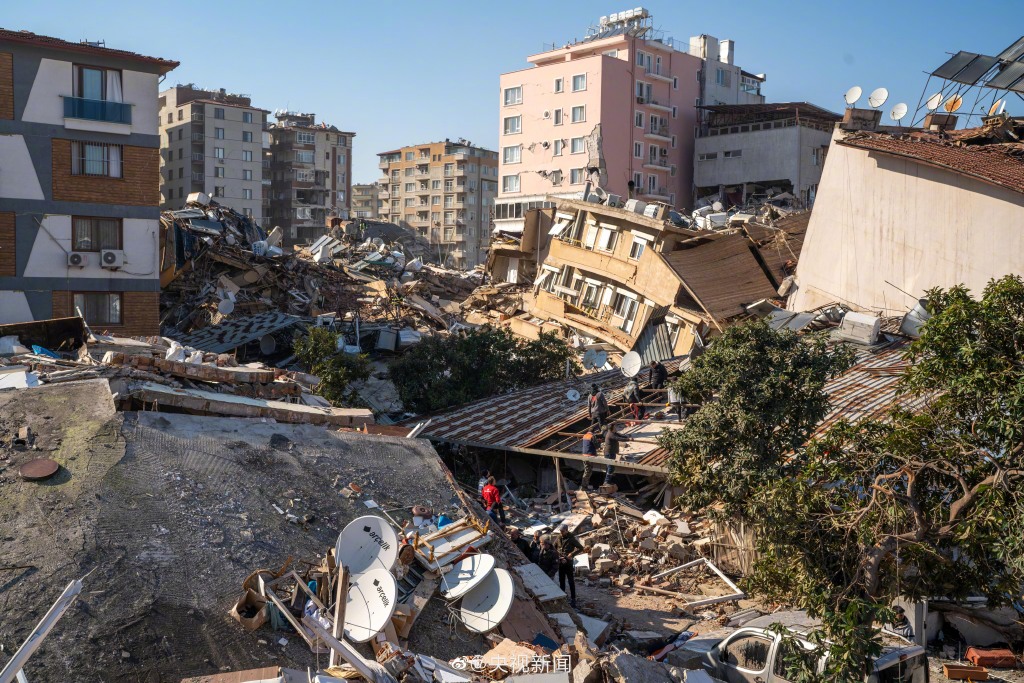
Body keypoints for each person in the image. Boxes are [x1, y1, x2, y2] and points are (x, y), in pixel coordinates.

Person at [554, 524, 584, 607]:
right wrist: (559, 557)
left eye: (563, 531)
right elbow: (554, 547)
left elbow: (581, 548)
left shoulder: (571, 538)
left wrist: (572, 554)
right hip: (561, 561)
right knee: (561, 580)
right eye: (560, 531)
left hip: (568, 562)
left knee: (571, 581)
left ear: (566, 530)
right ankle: (562, 597)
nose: (561, 533)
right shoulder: (559, 537)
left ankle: (573, 599)